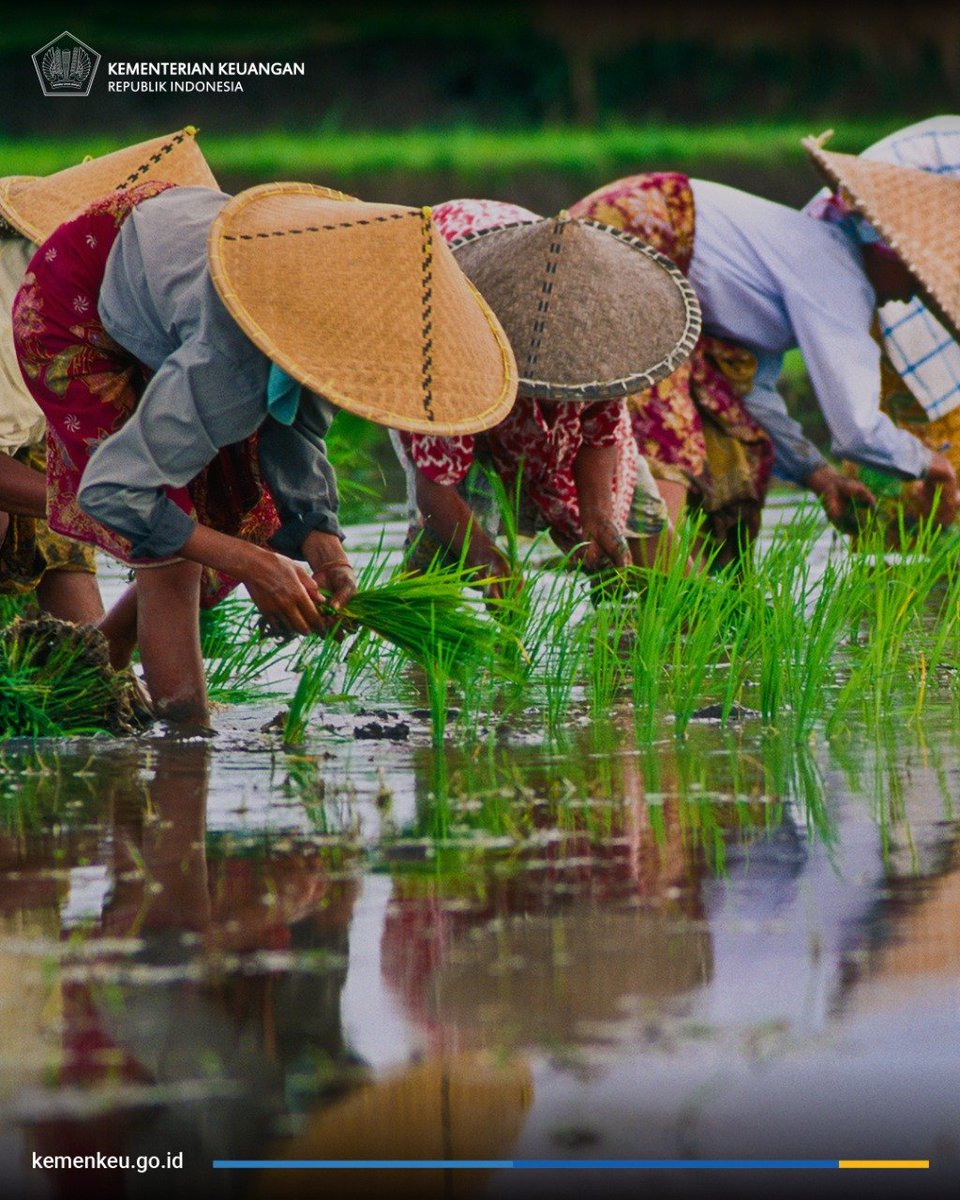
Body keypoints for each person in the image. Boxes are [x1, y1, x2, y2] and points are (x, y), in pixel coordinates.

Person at [13, 178, 518, 727]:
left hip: (173, 271)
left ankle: (75, 680)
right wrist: (256, 562)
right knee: (172, 554)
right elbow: (115, 493)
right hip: (76, 299)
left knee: (228, 512)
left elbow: (294, 430)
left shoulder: (323, 330)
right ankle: (185, 733)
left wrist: (326, 550)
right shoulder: (223, 368)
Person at [571, 162, 960, 545]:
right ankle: (659, 576)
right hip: (640, 234)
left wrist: (818, 475)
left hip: (635, 227)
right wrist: (932, 465)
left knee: (735, 429)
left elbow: (752, 394)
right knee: (666, 426)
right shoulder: (839, 275)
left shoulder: (804, 253)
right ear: (886, 252)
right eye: (915, 279)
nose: (912, 296)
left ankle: (673, 579)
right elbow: (857, 429)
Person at [392, 198, 700, 596]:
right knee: (442, 558)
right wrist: (490, 564)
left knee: (644, 533)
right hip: (463, 339)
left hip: (522, 300)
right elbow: (435, 488)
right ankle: (422, 644)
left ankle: (684, 621)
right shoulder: (451, 361)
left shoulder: (596, 340)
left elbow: (601, 434)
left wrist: (597, 514)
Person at [0, 129, 219, 628]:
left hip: (33, 423)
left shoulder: (134, 306)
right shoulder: (19, 300)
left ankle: (92, 679)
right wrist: (110, 505)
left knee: (75, 548)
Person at [805, 117, 960, 535]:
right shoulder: (870, 274)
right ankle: (890, 571)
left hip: (893, 273)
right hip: (876, 275)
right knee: (896, 471)